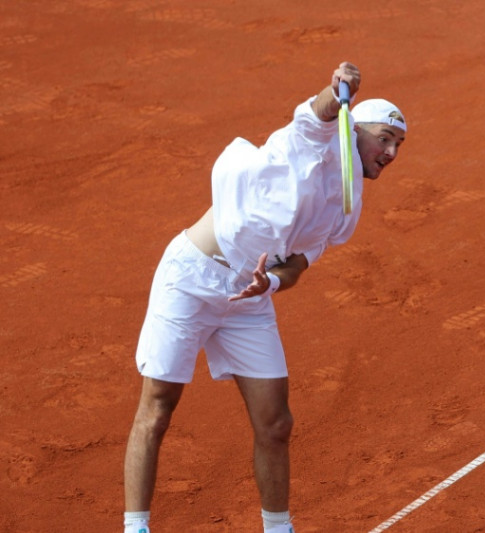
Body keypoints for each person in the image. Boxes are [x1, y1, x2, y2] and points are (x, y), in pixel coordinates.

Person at [122, 61, 407, 533]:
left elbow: (297, 263)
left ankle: (278, 528)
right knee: (156, 408)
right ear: (350, 130)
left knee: (276, 424)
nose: (392, 151)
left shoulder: (347, 205)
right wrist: (340, 87)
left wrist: (270, 284)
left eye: (398, 144)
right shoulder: (309, 143)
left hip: (248, 298)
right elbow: (318, 109)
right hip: (191, 279)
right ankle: (136, 528)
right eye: (384, 138)